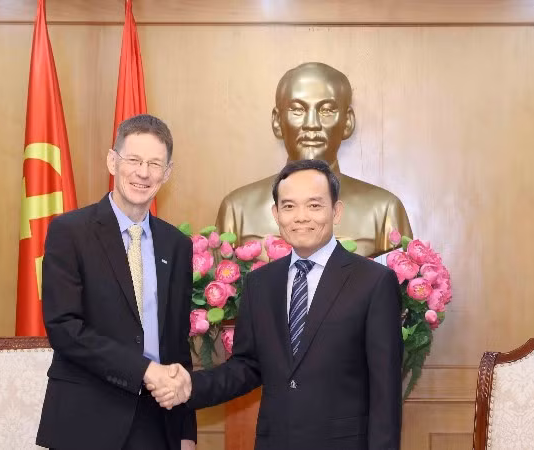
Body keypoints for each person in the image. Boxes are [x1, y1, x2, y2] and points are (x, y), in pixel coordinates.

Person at [153, 159, 403, 449]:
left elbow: (386, 391)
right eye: (289, 206)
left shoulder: (373, 282)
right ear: (276, 214)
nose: (301, 217)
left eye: (314, 205)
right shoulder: (260, 283)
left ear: (336, 211)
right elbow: (247, 366)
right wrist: (190, 386)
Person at [36, 114, 196, 450]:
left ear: (167, 173)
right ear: (113, 161)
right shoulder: (70, 232)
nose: (143, 172)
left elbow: (178, 345)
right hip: (85, 418)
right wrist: (143, 370)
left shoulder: (177, 245)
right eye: (133, 160)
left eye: (154, 164)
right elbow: (64, 329)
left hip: (157, 422)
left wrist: (186, 433)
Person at [216, 62, 412, 258]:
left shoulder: (384, 210)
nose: (312, 124)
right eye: (297, 110)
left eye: (326, 110)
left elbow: (398, 276)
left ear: (347, 122)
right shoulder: (238, 209)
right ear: (277, 121)